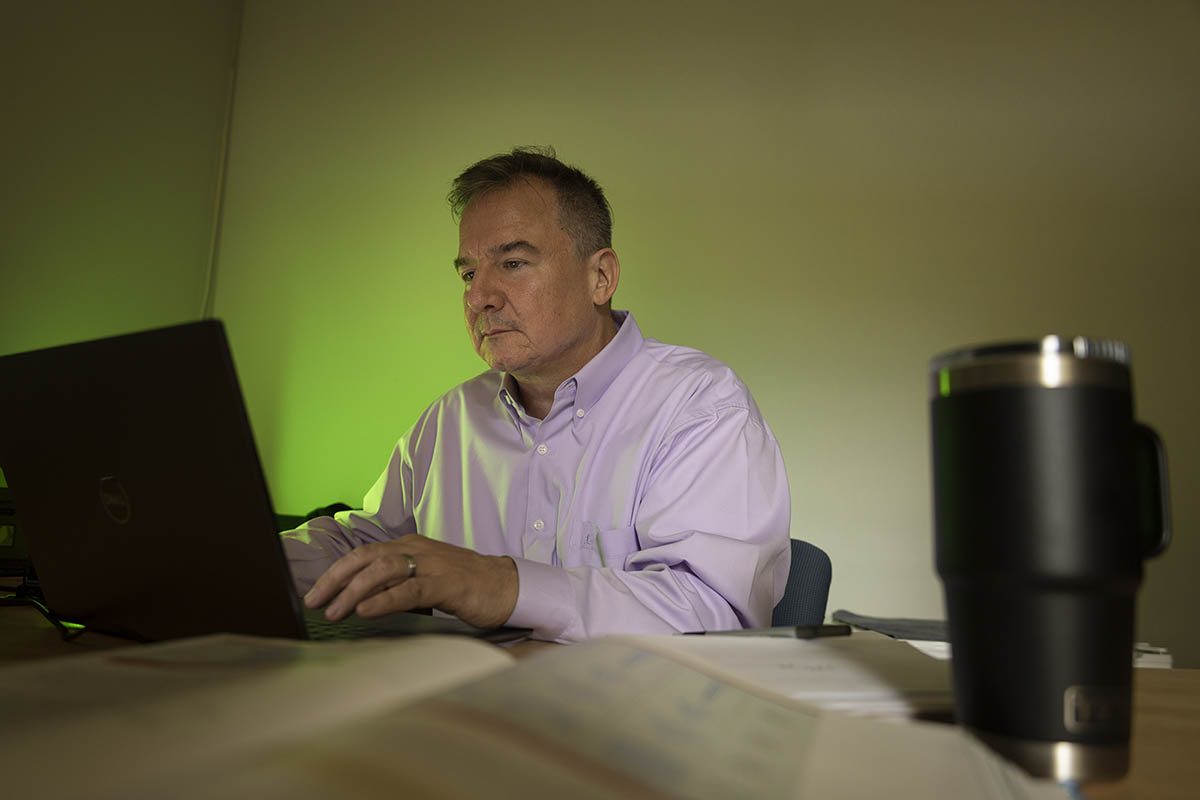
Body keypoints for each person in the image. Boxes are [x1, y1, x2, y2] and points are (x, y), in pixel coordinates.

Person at [285, 147, 791, 642]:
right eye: (467, 273)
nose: (478, 296)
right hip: (462, 710)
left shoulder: (700, 406)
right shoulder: (450, 419)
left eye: (512, 264)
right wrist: (233, 558)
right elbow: (366, 543)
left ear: (601, 277)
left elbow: (714, 615)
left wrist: (500, 585)